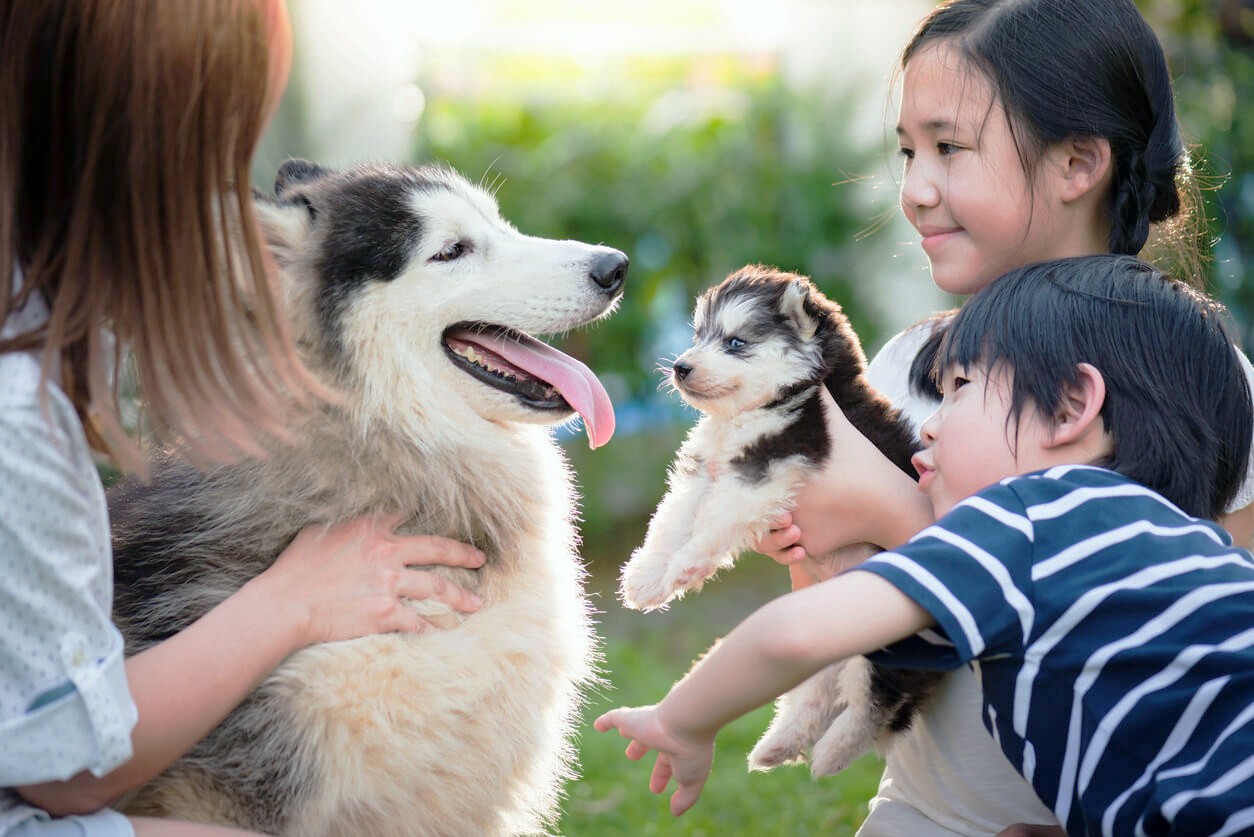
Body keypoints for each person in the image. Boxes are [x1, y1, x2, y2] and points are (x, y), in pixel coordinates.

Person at [751, 0, 1254, 833]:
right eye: (908, 151)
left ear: (1076, 163)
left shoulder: (1213, 383)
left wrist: (886, 505)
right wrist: (812, 543)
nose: (914, 189)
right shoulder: (910, 371)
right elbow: (864, 642)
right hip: (923, 812)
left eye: (950, 148)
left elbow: (1223, 654)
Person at [0, 3, 485, 835]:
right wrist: (287, 601)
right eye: (219, 152)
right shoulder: (18, 416)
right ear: (143, 150)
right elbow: (66, 770)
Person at [596, 254, 1254, 836]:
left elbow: (795, 636)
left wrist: (683, 719)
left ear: (1069, 406)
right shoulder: (1177, 540)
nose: (929, 424)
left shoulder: (1029, 516)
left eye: (958, 388)